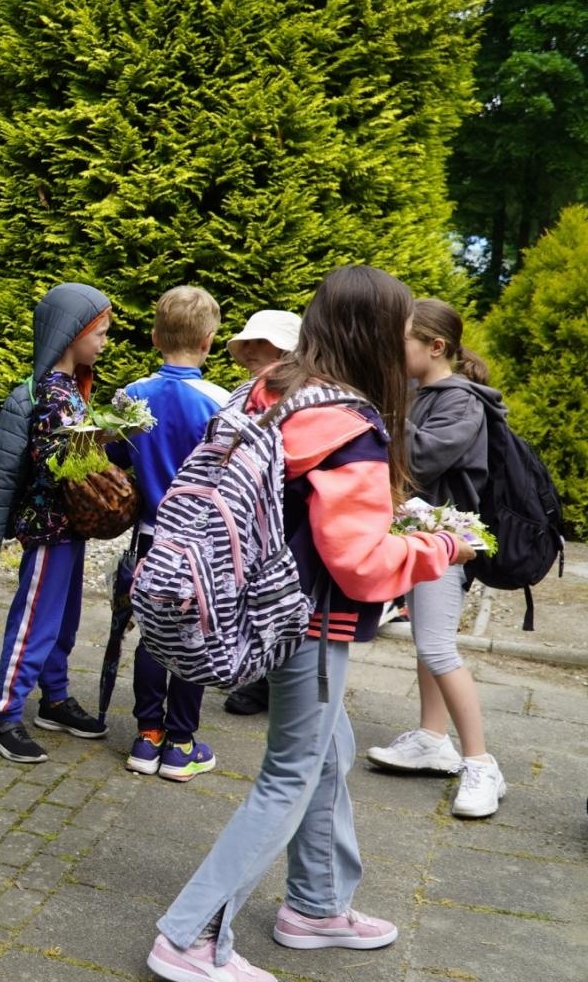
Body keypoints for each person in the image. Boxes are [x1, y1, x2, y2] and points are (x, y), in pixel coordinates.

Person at [146, 266, 474, 982]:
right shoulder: (352, 422)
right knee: (290, 773)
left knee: (327, 749)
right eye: (397, 327)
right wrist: (442, 546)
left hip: (254, 600)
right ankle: (189, 937)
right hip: (312, 620)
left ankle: (318, 904)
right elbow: (358, 563)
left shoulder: (275, 387)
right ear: (375, 334)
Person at [365, 298, 506, 818]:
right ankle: (431, 736)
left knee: (440, 647)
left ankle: (480, 763)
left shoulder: (461, 401)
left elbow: (420, 459)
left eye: (399, 341)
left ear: (435, 346)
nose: (388, 352)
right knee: (428, 640)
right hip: (422, 536)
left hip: (448, 540)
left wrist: (385, 407)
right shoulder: (419, 392)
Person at [0, 282, 114, 763]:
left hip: (69, 528)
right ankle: (4, 717)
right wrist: (102, 439)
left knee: (63, 621)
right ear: (73, 332)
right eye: (100, 331)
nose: (105, 341)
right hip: (50, 529)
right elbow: (50, 459)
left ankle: (54, 700)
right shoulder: (51, 393)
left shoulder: (72, 388)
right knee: (35, 622)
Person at [110, 287, 229, 781]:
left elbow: (115, 459)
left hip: (149, 538)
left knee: (153, 639)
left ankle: (146, 736)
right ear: (208, 342)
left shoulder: (131, 395)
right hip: (199, 546)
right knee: (193, 639)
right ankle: (181, 743)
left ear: (156, 337)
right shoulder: (222, 402)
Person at [222, 308, 303, 716]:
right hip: (247, 508)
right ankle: (257, 676)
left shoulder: (304, 397)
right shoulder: (245, 391)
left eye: (262, 342)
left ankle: (278, 682)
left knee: (281, 591)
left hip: (288, 510)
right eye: (248, 342)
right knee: (247, 589)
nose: (251, 349)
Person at [226, 309, 302, 373]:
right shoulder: (247, 389)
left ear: (285, 351)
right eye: (246, 343)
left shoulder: (307, 388)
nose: (248, 350)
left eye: (261, 341)